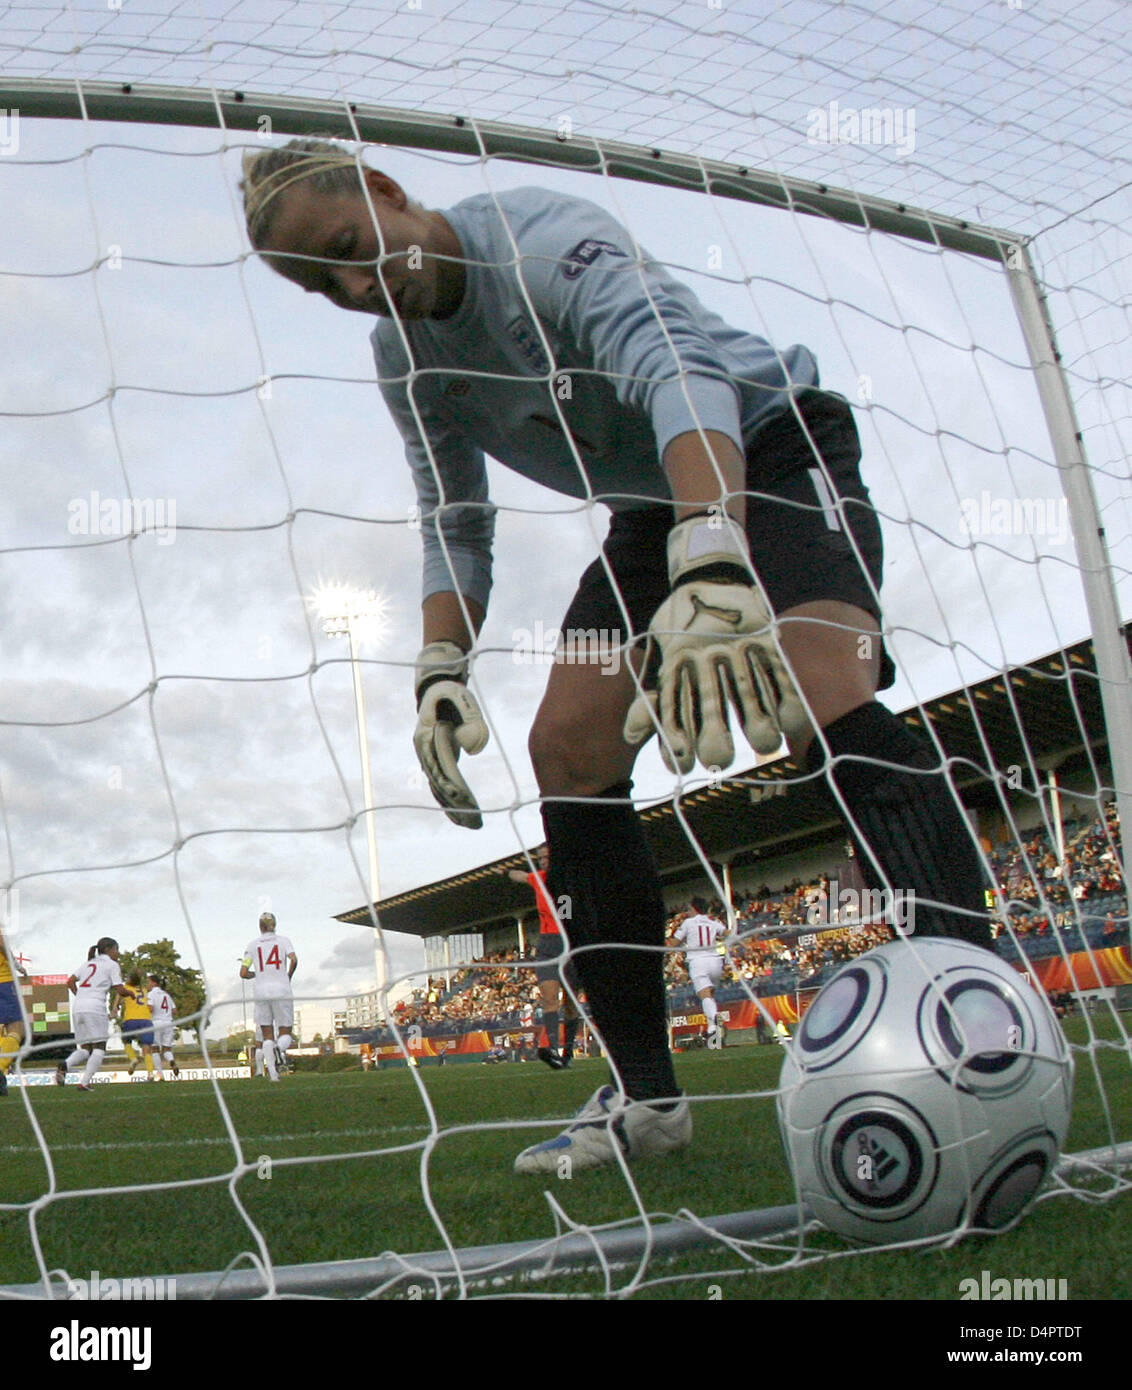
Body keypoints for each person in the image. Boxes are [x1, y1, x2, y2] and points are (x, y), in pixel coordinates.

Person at [240, 142, 992, 1174]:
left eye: (349, 251)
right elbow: (454, 517)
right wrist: (440, 665)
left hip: (765, 447)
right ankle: (644, 1098)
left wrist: (715, 554)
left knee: (821, 686)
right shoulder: (400, 358)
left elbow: (679, 374)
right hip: (646, 515)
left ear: (384, 191)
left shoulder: (542, 240)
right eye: (322, 285)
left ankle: (982, 1020)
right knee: (568, 746)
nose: (357, 287)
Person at [504, 845, 581, 1070]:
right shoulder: (538, 878)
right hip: (547, 944)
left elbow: (566, 916)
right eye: (540, 858)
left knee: (570, 1003)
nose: (543, 861)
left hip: (567, 942)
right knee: (549, 998)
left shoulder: (565, 882)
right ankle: (553, 1050)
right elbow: (520, 875)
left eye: (546, 857)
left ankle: (567, 1052)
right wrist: (508, 872)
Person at [64, 939, 129, 1091]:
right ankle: (85, 1082)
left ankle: (65, 1064)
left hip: (78, 1007)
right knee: (99, 1046)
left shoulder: (88, 964)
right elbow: (120, 989)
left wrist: (79, 995)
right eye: (116, 949)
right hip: (95, 1007)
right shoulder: (112, 965)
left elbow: (70, 982)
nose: (118, 953)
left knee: (86, 1048)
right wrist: (130, 993)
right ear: (108, 949)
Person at [239, 913, 297, 1082]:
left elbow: (243, 972)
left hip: (261, 990)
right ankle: (280, 1049)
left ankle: (273, 1075)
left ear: (260, 926)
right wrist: (288, 976)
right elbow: (294, 959)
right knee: (285, 1030)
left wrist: (256, 974)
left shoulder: (252, 945)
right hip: (281, 988)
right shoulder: (284, 940)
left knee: (267, 1034)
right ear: (274, 925)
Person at [671, 897, 728, 1043]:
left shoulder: (688, 922)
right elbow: (726, 933)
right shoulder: (712, 920)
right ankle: (712, 1033)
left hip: (698, 962)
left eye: (689, 909)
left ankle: (715, 1021)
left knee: (705, 997)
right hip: (715, 962)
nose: (688, 912)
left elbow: (673, 943)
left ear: (694, 909)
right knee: (710, 996)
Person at [0, 925, 28, 1097]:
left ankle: (1, 1078)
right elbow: (2, 944)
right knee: (17, 1028)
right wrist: (17, 965)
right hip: (3, 981)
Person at [118, 969, 157, 1080]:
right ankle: (150, 1073)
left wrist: (115, 1007)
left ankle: (133, 1059)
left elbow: (119, 994)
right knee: (147, 1047)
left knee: (126, 1041)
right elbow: (149, 987)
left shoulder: (126, 988)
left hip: (131, 1019)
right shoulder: (144, 990)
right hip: (146, 1020)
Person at [146, 974, 180, 1078]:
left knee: (155, 1049)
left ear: (154, 983)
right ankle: (171, 1060)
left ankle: (160, 1073)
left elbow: (151, 1008)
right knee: (167, 1049)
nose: (147, 985)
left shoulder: (151, 994)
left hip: (156, 1022)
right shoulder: (166, 995)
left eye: (148, 982)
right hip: (168, 1023)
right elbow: (174, 1010)